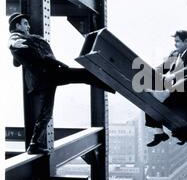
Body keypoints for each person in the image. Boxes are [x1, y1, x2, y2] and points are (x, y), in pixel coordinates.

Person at [8, 12, 115, 155]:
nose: (28, 26)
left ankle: (34, 144)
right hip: (48, 74)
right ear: (17, 25)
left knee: (46, 112)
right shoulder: (16, 37)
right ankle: (111, 85)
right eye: (25, 23)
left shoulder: (25, 39)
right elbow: (13, 44)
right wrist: (24, 46)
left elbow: (16, 62)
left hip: (43, 80)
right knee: (83, 74)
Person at [145, 30, 187, 147]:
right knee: (149, 93)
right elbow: (162, 68)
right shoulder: (174, 54)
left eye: (177, 41)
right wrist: (150, 74)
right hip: (177, 92)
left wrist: (173, 75)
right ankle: (159, 133)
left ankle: (165, 93)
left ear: (186, 42)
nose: (175, 44)